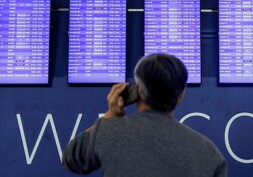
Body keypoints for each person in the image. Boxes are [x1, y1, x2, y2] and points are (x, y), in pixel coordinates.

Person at [62, 53, 227, 177]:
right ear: (181, 95)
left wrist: (110, 114)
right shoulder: (209, 154)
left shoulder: (108, 130)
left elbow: (71, 159)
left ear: (137, 91)